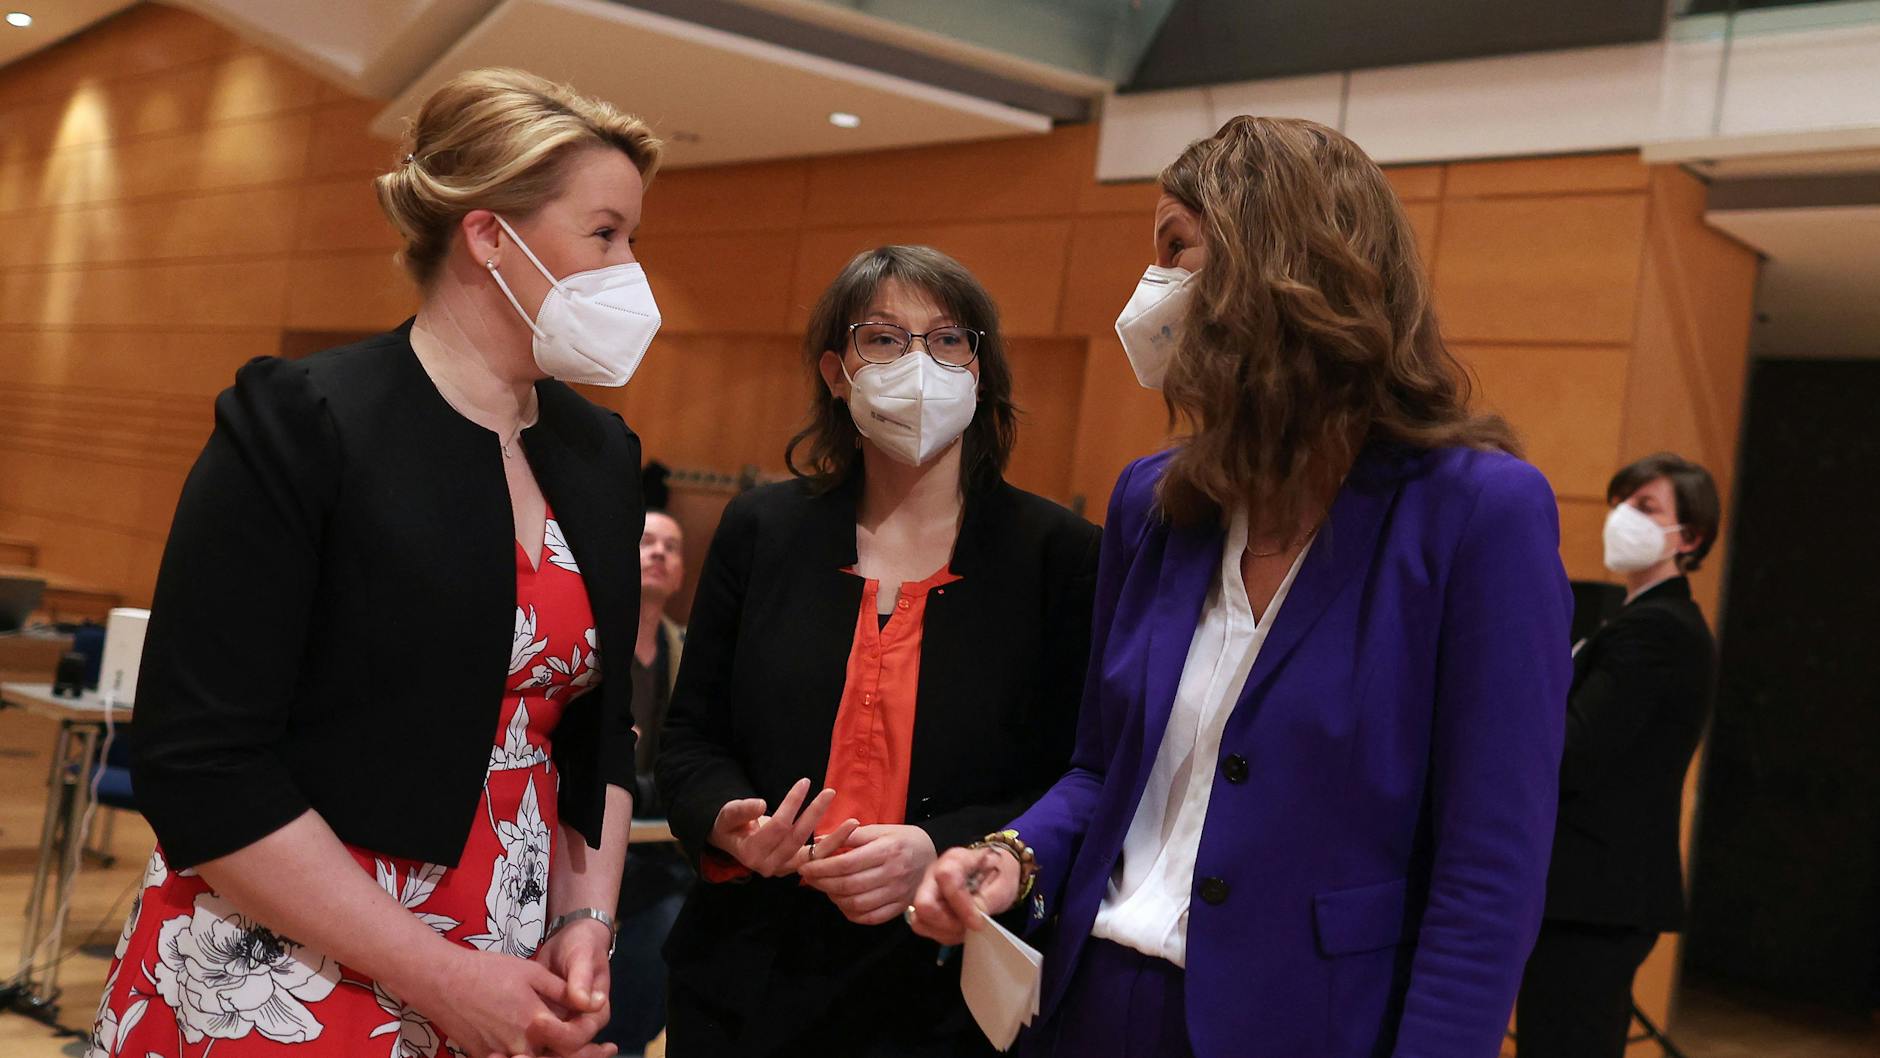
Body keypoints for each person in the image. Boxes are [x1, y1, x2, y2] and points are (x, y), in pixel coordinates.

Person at [911, 116, 1574, 1058]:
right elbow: (1103, 768)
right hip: (1086, 1007)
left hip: (1306, 1025)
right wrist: (1012, 857)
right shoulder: (1152, 500)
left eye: (1175, 247)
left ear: (1274, 262)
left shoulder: (1476, 513)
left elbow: (1488, 874)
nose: (1151, 287)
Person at [93, 68, 661, 1058]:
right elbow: (200, 763)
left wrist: (586, 919)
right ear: (489, 236)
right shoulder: (305, 421)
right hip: (289, 959)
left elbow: (598, 732)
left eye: (633, 240)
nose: (628, 271)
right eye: (605, 234)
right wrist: (438, 974)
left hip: (505, 955)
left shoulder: (600, 453)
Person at [656, 245, 1100, 1057]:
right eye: (885, 339)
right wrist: (731, 821)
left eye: (948, 339)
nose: (919, 364)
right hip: (749, 971)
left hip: (946, 987)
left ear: (979, 371)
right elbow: (689, 738)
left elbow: (1078, 774)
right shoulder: (761, 529)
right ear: (837, 373)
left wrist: (942, 846)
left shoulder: (1060, 555)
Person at [1515, 453, 1720, 1058]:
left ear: (1690, 537)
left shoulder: (1658, 628)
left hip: (1596, 893)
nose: (1623, 517)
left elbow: (1575, 748)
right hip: (1595, 892)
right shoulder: (1639, 620)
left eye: (1646, 507)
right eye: (1621, 503)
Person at [599, 500, 692, 1056]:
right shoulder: (592, 636)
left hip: (659, 853)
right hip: (584, 843)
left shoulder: (689, 654)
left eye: (671, 547)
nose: (659, 553)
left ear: (680, 573)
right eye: (647, 541)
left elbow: (690, 765)